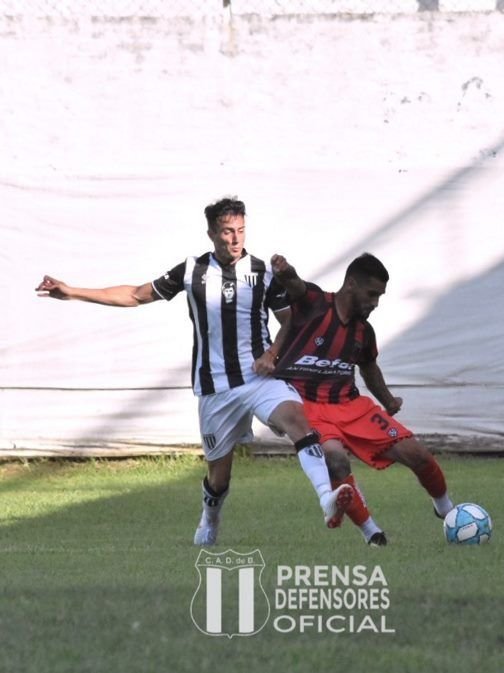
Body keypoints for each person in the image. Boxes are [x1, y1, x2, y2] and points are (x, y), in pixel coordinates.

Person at [35, 197, 354, 546]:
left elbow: (290, 321)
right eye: (227, 232)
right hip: (215, 386)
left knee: (296, 419)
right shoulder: (190, 271)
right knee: (219, 477)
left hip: (258, 377)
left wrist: (272, 354)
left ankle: (326, 497)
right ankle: (209, 518)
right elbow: (136, 295)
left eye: (241, 230)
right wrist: (73, 292)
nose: (236, 239)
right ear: (211, 234)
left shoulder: (263, 272)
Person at [263, 252, 455, 545]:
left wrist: (388, 401)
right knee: (336, 461)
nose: (375, 303)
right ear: (351, 284)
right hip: (306, 407)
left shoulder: (363, 331)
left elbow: (368, 367)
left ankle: (447, 510)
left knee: (418, 454)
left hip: (351, 406)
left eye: (379, 296)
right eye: (372, 294)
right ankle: (372, 534)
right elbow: (296, 285)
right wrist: (285, 271)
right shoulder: (315, 304)